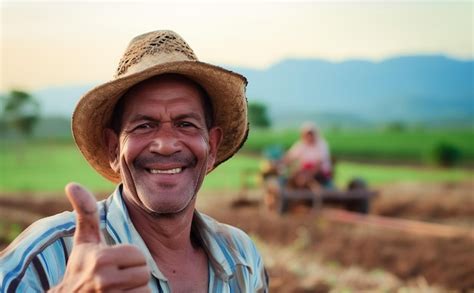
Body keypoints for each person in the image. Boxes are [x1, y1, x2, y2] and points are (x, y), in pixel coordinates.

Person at [0, 30, 268, 292]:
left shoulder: (242, 259)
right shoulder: (48, 257)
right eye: (144, 125)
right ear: (114, 149)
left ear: (212, 148)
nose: (165, 145)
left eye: (185, 124)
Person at [283, 122, 333, 188]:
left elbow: (319, 165)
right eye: (307, 134)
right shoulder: (301, 144)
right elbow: (289, 157)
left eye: (311, 134)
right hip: (304, 172)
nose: (309, 136)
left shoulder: (321, 144)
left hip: (320, 174)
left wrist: (307, 176)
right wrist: (281, 164)